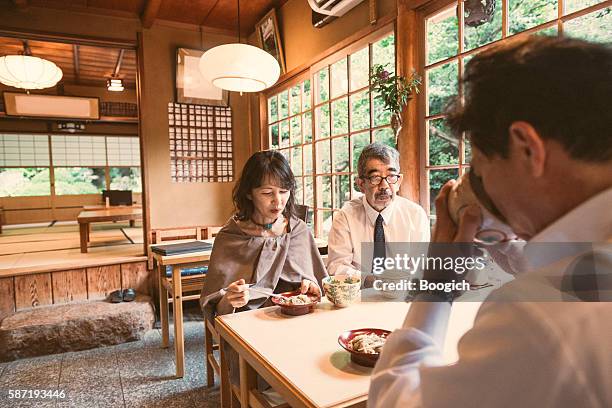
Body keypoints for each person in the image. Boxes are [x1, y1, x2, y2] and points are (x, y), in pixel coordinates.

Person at [368, 36, 612, 407]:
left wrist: (436, 286)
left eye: (480, 167)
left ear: (526, 148)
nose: (483, 188)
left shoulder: (538, 314)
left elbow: (395, 400)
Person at [200, 150, 327, 317]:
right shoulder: (231, 236)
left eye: (284, 191)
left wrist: (313, 287)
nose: (278, 201)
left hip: (296, 320)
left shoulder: (298, 231)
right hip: (247, 324)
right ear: (248, 193)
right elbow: (216, 310)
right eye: (267, 193)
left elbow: (320, 289)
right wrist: (229, 299)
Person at [327, 142, 430, 279]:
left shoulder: (415, 215)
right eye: (375, 178)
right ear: (361, 184)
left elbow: (420, 266)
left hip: (402, 294)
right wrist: (373, 280)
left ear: (399, 182)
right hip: (359, 295)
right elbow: (337, 267)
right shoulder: (345, 216)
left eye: (391, 177)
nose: (384, 186)